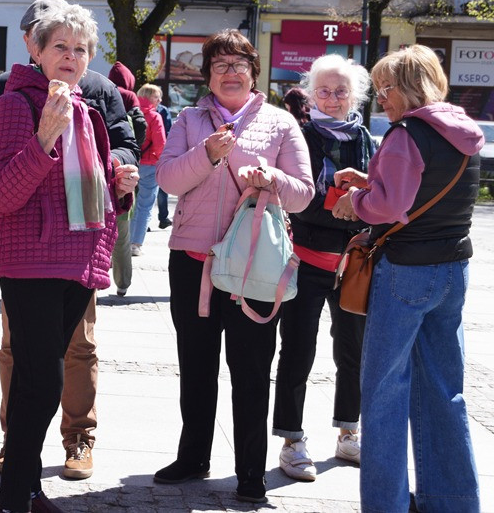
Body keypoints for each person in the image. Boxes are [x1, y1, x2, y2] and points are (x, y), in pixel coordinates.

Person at [0, 0, 139, 480]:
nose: (71, 56)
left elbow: (117, 151)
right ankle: (18, 463)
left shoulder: (94, 97)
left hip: (80, 255)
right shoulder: (11, 97)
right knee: (29, 365)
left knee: (71, 356)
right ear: (35, 48)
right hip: (33, 256)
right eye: (60, 45)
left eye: (80, 48)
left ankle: (67, 446)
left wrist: (120, 181)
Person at [155, 28, 312, 505]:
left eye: (239, 64)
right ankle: (193, 455)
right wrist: (207, 154)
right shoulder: (187, 119)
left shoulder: (281, 123)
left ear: (253, 72)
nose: (229, 72)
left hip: (252, 266)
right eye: (219, 64)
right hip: (193, 259)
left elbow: (304, 194)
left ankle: (250, 473)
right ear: (207, 74)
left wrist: (272, 178)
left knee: (250, 370)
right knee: (196, 365)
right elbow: (166, 179)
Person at [331, 45, 482, 513]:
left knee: (383, 394)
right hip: (453, 268)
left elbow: (389, 207)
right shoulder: (465, 131)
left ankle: (385, 505)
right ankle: (453, 502)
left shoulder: (406, 133)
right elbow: (421, 191)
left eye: (386, 88)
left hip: (406, 273)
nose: (382, 100)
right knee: (445, 390)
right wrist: (370, 179)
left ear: (411, 86)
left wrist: (353, 202)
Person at [272, 55, 374, 482]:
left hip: (352, 262)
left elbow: (376, 197)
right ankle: (292, 440)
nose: (332, 99)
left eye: (341, 91)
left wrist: (357, 204)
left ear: (356, 96)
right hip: (306, 257)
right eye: (324, 90)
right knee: (298, 350)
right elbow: (301, 200)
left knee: (354, 352)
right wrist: (348, 204)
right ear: (311, 93)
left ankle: (349, 430)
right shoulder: (301, 135)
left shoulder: (365, 137)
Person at [107, 61, 146, 295]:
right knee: (122, 231)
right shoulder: (130, 97)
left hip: (97, 167)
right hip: (124, 170)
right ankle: (123, 283)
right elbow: (140, 128)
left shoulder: (100, 91)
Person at [127, 83, 166, 264]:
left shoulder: (130, 112)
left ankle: (123, 241)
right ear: (151, 97)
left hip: (131, 162)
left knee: (127, 204)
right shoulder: (154, 116)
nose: (159, 101)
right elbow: (160, 144)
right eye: (157, 97)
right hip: (150, 165)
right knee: (144, 206)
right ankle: (135, 244)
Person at [155, 91, 174, 229]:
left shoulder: (138, 109)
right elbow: (169, 132)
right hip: (159, 153)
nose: (160, 99)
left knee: (143, 193)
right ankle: (163, 218)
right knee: (162, 188)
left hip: (142, 156)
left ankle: (142, 222)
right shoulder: (162, 111)